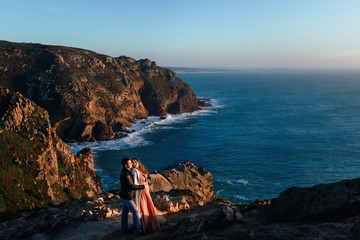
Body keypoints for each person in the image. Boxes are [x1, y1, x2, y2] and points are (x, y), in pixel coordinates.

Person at [132, 157, 160, 233]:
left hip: (146, 192)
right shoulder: (134, 171)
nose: (134, 163)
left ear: (138, 162)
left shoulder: (141, 170)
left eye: (135, 161)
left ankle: (152, 226)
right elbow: (135, 184)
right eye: (133, 162)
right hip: (141, 193)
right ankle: (146, 227)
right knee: (144, 209)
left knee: (150, 208)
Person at [120, 157, 145, 235]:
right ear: (125, 165)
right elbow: (131, 186)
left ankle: (124, 229)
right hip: (128, 197)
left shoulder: (126, 172)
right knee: (136, 212)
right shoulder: (126, 174)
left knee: (124, 213)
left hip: (124, 195)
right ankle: (138, 231)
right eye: (130, 163)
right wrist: (142, 186)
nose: (131, 164)